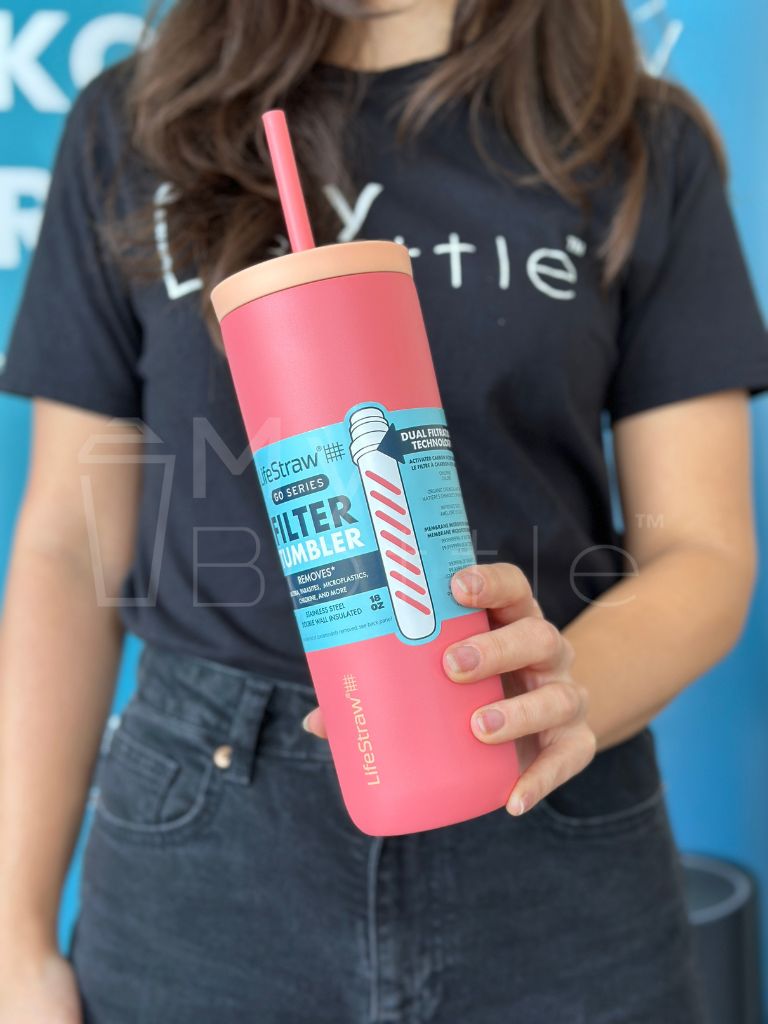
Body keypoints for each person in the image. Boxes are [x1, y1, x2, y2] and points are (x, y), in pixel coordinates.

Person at [0, 0, 766, 1021]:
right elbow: (68, 546)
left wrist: (567, 686)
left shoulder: (633, 138)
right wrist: (13, 937)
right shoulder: (136, 124)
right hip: (208, 853)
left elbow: (704, 547)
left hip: (555, 832)